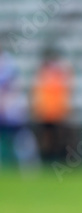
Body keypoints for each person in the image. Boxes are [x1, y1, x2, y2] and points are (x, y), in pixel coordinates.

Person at [0, 40, 40, 173]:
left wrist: (7, 102)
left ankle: (29, 165)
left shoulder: (8, 63)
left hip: (10, 109)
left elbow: (15, 85)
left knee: (21, 136)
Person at [32, 45, 73, 163]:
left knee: (58, 137)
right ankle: (47, 158)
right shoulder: (43, 72)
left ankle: (58, 158)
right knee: (47, 137)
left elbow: (65, 91)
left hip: (57, 110)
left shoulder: (59, 72)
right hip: (46, 110)